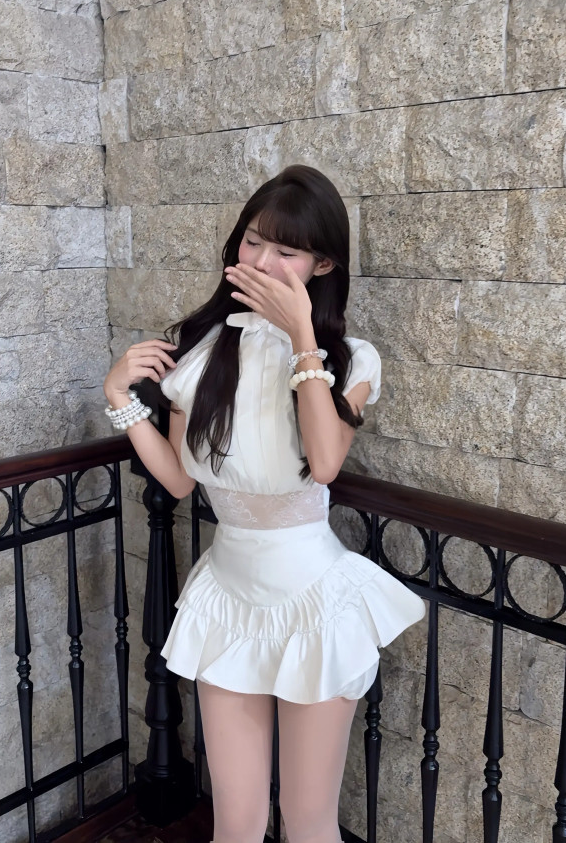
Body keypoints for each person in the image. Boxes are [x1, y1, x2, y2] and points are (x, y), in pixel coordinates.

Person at [103, 165, 425, 843]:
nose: (262, 262)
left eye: (287, 251)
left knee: (307, 823)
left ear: (322, 263)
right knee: (237, 821)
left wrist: (303, 336)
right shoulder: (200, 350)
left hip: (314, 605)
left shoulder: (351, 358)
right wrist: (119, 398)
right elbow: (181, 481)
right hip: (226, 600)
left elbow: (325, 461)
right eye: (253, 241)